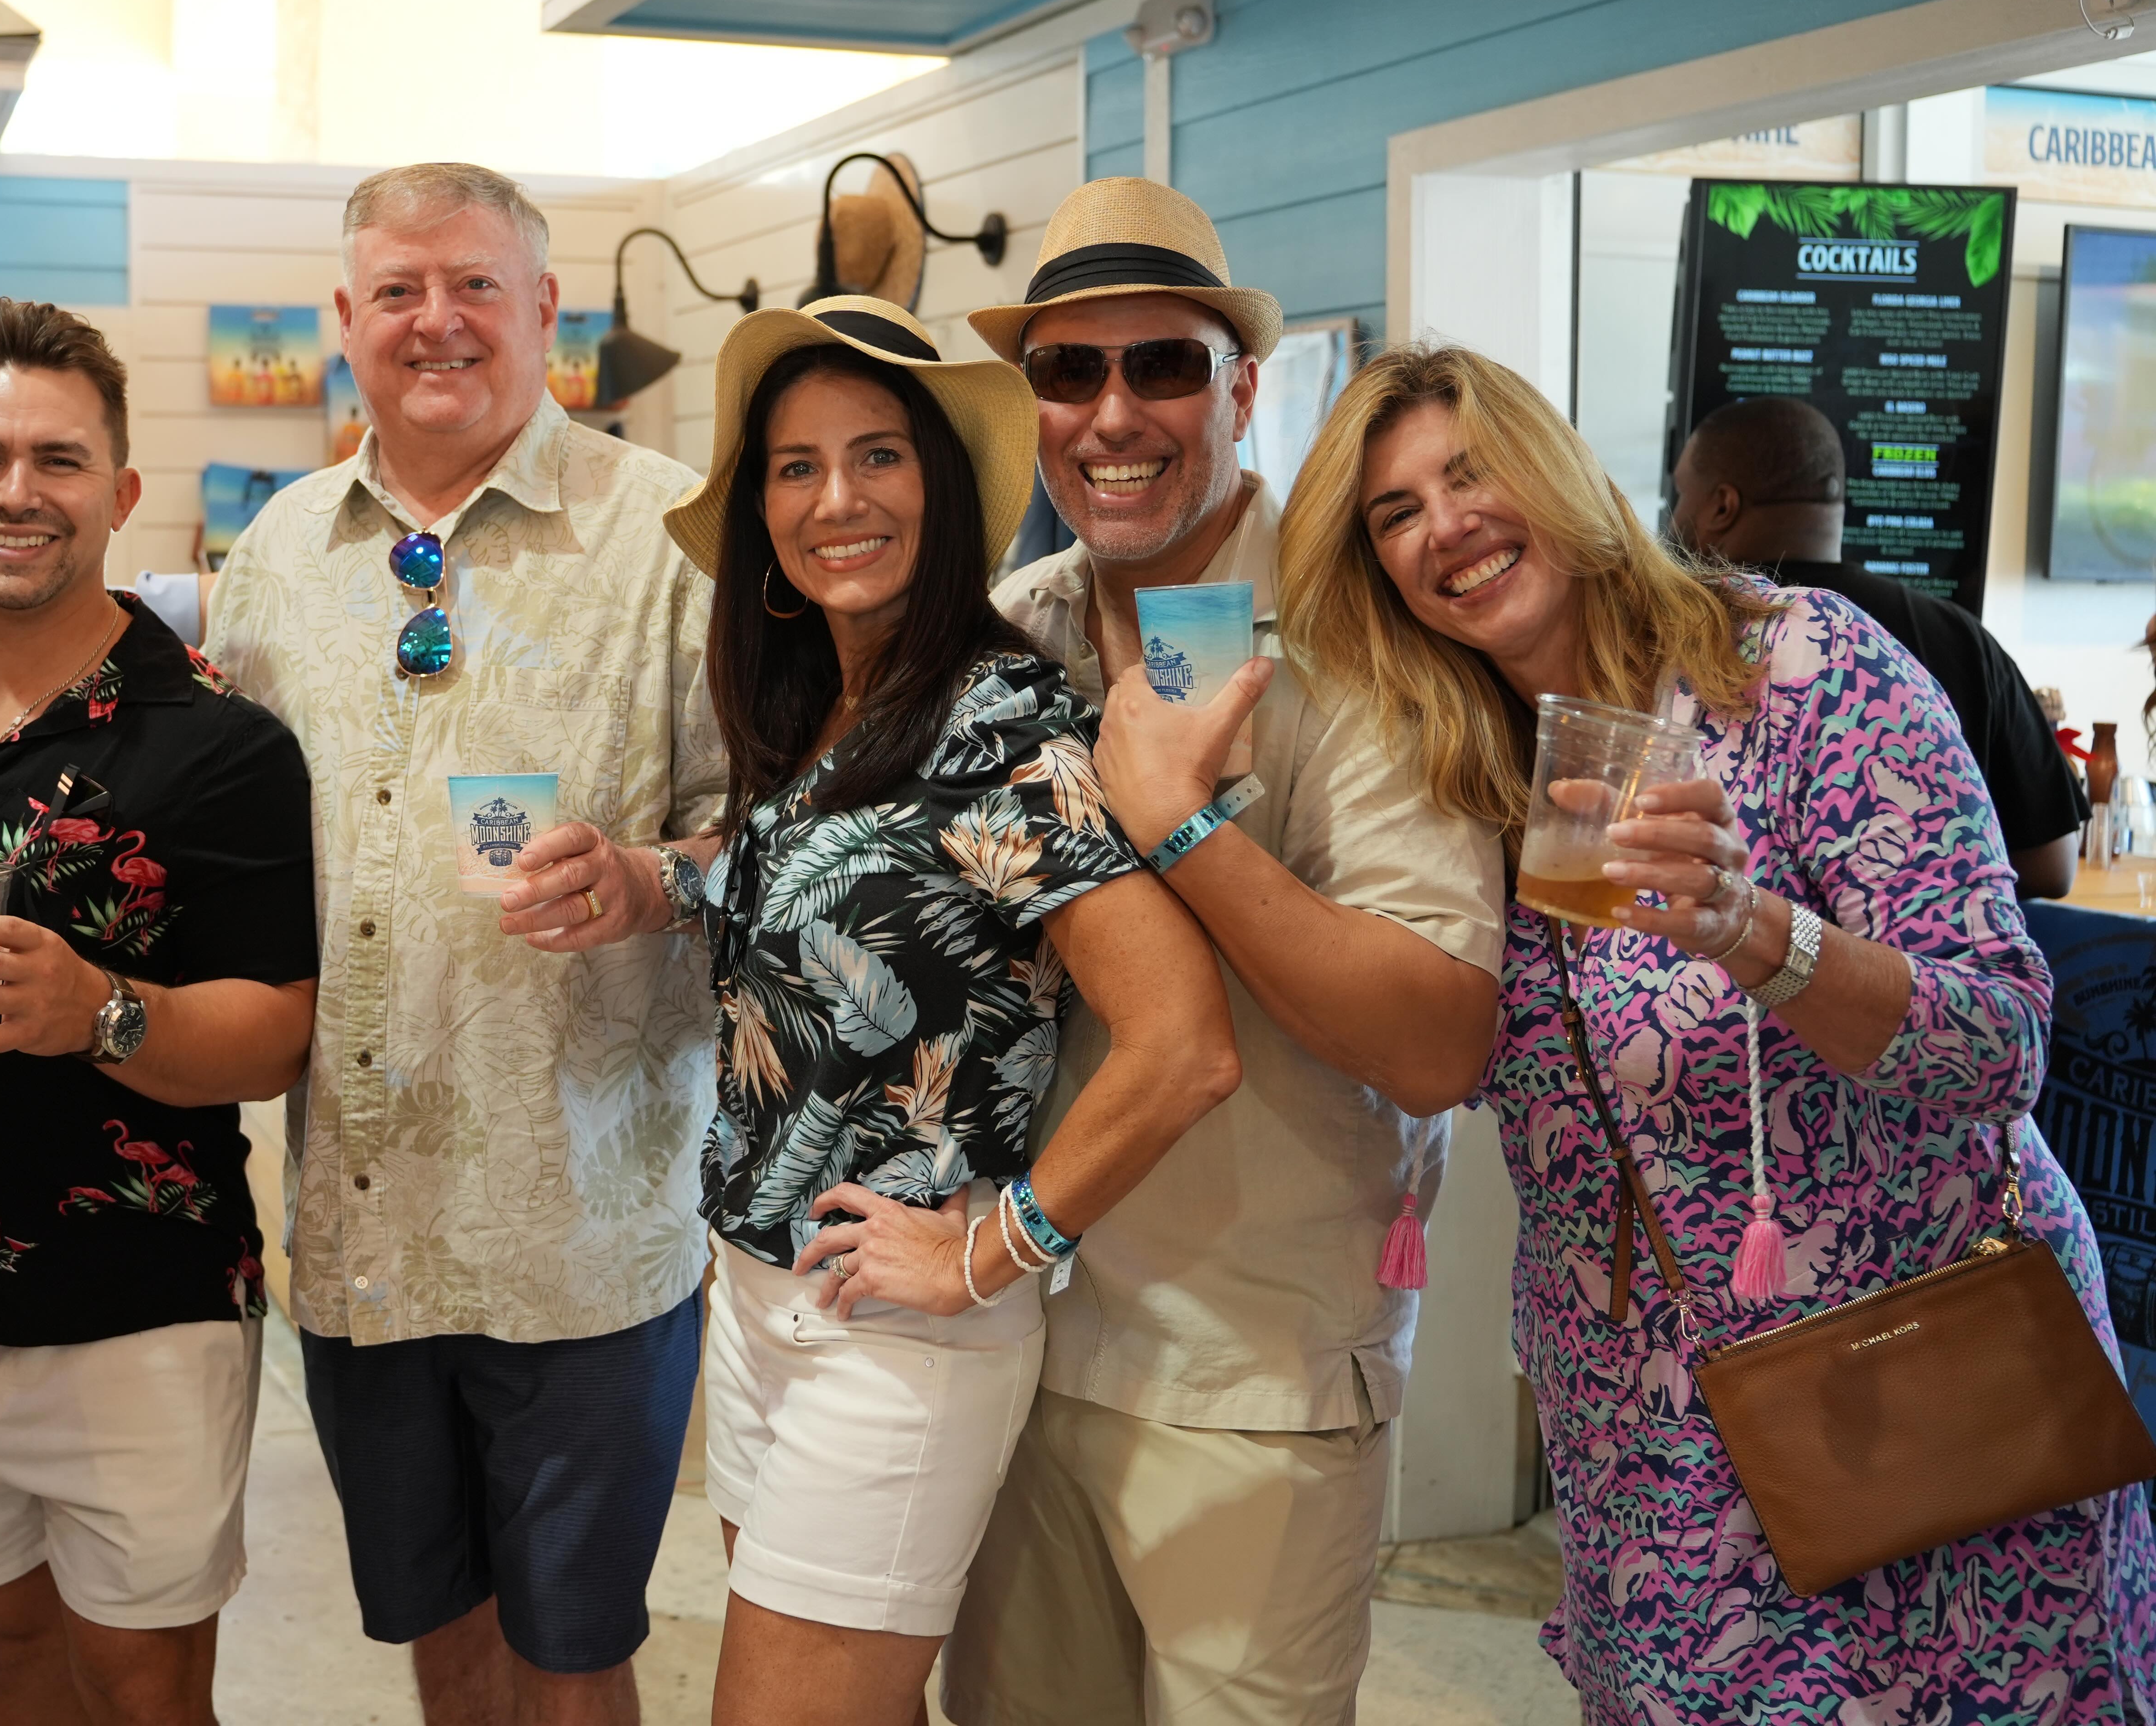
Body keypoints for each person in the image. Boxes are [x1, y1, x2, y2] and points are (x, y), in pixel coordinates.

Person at [1280, 341, 2151, 1721]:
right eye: (1394, 512)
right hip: (1644, 1441)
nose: (1444, 524)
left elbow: (1999, 1042)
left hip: (1912, 1374)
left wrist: (1756, 931)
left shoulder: (1794, 668)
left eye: (1471, 472)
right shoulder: (1445, 769)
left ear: (1558, 472)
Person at [514, 293, 1237, 1726]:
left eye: (877, 457)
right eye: (795, 467)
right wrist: (653, 880)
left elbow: (1184, 1046)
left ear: (942, 487)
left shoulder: (998, 723)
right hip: (758, 1292)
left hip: (898, 1330)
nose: (834, 500)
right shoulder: (831, 707)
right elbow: (841, 876)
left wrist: (995, 1248)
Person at [933, 179, 1508, 1726]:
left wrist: (1181, 830)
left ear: (1241, 389)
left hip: (1252, 1378)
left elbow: (1438, 1041)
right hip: (1011, 1338)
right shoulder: (1008, 634)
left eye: (1163, 367)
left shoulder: (1360, 639)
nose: (1113, 413)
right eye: (1070, 371)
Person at [204, 162, 725, 1724]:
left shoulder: (671, 535)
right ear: (344, 319)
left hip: (580, 1232)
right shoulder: (276, 556)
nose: (436, 322)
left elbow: (775, 835)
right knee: (440, 1633)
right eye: (398, 291)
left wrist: (648, 880)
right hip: (361, 1228)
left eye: (475, 285)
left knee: (575, 1650)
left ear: (545, 308)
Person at [0, 300, 316, 1725]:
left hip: (134, 1305)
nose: (17, 494)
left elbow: (276, 1032)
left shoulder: (215, 743)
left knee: (140, 1683)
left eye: (58, 460)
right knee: (15, 1654)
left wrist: (101, 1011)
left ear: (121, 491)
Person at [1668, 394, 2082, 900]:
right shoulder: (1960, 637)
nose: (1673, 515)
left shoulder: (1680, 644)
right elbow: (2052, 865)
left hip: (1735, 944)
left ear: (1722, 505)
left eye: (1679, 495)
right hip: (1926, 947)